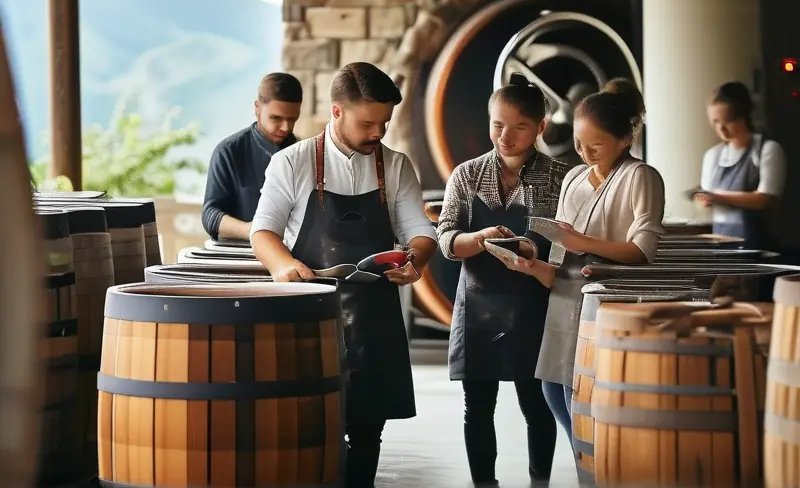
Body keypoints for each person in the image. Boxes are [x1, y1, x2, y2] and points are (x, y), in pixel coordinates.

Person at [249, 62, 438, 488]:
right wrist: (282, 264)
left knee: (369, 428)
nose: (378, 133)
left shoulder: (397, 165)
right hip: (310, 311)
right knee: (312, 422)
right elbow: (263, 232)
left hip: (375, 313)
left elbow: (420, 232)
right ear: (337, 112)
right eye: (368, 123)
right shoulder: (291, 163)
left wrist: (417, 260)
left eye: (384, 123)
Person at [501, 78, 665, 449]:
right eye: (578, 143)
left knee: (587, 393)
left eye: (596, 145)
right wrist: (534, 265)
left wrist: (581, 242)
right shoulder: (574, 176)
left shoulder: (640, 176)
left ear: (625, 140)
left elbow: (643, 250)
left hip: (607, 298)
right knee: (552, 389)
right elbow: (560, 256)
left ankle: (594, 465)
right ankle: (586, 458)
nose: (585, 153)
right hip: (564, 294)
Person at [436, 73, 572, 487]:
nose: (505, 136)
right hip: (476, 305)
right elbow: (444, 239)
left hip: (533, 303)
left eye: (519, 127)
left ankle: (539, 481)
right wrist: (474, 239)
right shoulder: (466, 174)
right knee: (477, 405)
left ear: (541, 128)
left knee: (537, 403)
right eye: (497, 125)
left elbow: (569, 245)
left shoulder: (561, 177)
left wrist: (532, 251)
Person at [201, 72, 303, 241]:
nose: (285, 127)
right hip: (241, 253)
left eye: (292, 119)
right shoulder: (228, 151)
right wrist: (258, 232)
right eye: (276, 118)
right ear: (257, 108)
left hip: (295, 254)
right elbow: (211, 216)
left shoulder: (304, 153)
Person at [696, 81, 786, 250]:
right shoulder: (712, 156)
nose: (721, 129)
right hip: (721, 243)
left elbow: (763, 199)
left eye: (727, 121)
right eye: (715, 122)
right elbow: (708, 198)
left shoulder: (767, 150)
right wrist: (704, 199)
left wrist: (718, 196)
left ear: (743, 115)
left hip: (759, 246)